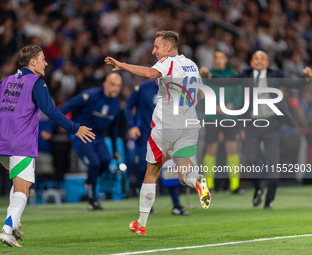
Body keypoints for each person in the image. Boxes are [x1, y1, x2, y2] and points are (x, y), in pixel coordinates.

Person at [0, 45, 95, 247]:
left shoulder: (5, 82)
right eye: (43, 59)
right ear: (32, 62)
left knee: (20, 184)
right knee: (23, 189)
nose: (46, 63)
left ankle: (16, 221)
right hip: (19, 144)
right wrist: (75, 128)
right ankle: (7, 230)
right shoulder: (37, 83)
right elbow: (52, 111)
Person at [105, 30, 211, 236]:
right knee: (183, 176)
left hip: (164, 128)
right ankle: (197, 179)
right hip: (189, 127)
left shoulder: (168, 62)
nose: (154, 51)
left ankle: (141, 223)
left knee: (151, 174)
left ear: (168, 48)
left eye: (157, 47)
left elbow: (148, 74)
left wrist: (123, 65)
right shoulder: (191, 64)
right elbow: (199, 94)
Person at [200, 50, 312, 209]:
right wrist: (209, 76)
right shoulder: (246, 74)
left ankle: (269, 200)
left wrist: (305, 78)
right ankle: (258, 188)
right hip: (251, 125)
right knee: (251, 160)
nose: (259, 61)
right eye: (256, 58)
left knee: (273, 163)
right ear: (251, 62)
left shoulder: (275, 74)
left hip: (271, 125)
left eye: (263, 58)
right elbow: (226, 81)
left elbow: (293, 83)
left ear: (267, 62)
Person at [41, 73, 122, 210]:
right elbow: (66, 106)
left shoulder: (116, 104)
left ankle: (89, 182)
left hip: (99, 137)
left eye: (118, 86)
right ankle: (92, 199)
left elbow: (114, 128)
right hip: (82, 134)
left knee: (106, 162)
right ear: (105, 84)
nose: (115, 88)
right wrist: (49, 127)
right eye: (113, 84)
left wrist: (114, 149)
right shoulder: (90, 96)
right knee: (94, 163)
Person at [125, 79, 189, 216]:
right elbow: (128, 106)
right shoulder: (142, 88)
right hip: (146, 136)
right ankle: (146, 205)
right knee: (144, 168)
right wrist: (132, 126)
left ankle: (176, 204)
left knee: (170, 169)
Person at [202, 50, 244, 194]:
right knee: (211, 149)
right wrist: (214, 106)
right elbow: (201, 94)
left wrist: (232, 105)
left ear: (226, 59)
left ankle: (235, 186)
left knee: (232, 148)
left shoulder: (233, 74)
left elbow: (239, 94)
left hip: (229, 117)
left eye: (221, 57)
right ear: (213, 59)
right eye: (216, 57)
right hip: (212, 117)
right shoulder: (207, 75)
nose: (218, 60)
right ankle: (209, 186)